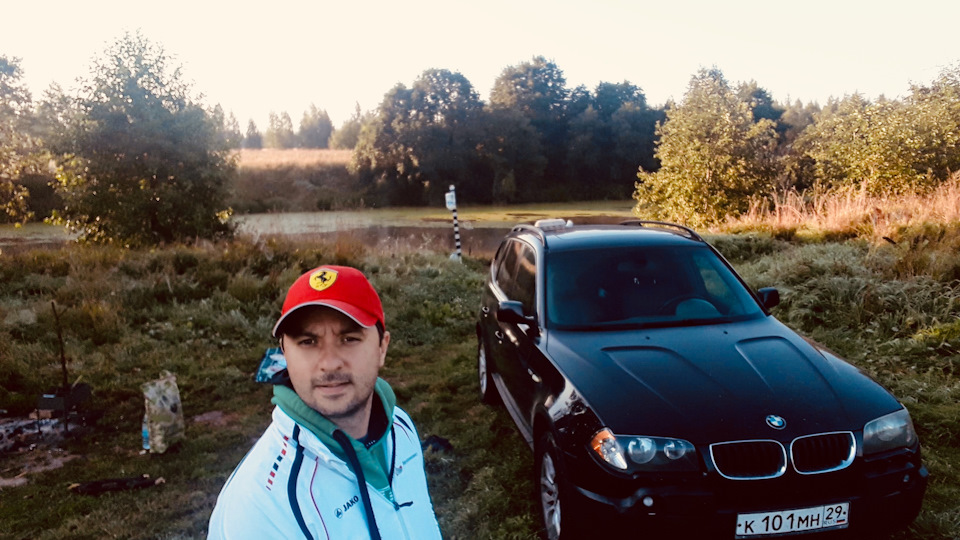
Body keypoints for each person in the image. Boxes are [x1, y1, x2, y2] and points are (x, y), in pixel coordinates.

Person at [208, 265, 442, 539]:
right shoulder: (259, 507)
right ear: (285, 353)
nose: (329, 363)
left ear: (382, 347)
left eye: (349, 338)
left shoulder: (400, 427)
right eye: (308, 342)